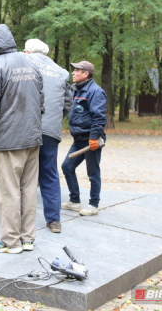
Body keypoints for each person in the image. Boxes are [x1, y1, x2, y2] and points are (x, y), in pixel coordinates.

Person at [0, 24, 44, 254]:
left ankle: (10, 241)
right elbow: (41, 101)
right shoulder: (31, 63)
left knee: (8, 192)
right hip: (33, 138)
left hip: (9, 140)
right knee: (28, 190)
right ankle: (27, 239)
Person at [24, 39, 72, 233]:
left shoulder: (23, 63)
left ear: (27, 51)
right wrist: (54, 120)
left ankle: (22, 222)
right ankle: (54, 221)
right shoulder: (61, 72)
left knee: (24, 174)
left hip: (26, 128)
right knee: (50, 174)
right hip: (51, 130)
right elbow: (67, 102)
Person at [61, 61, 107, 216]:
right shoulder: (75, 90)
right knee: (67, 166)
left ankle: (93, 205)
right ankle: (74, 201)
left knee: (93, 173)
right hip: (79, 139)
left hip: (90, 140)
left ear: (86, 73)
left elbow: (99, 117)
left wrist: (94, 138)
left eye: (76, 70)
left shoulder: (95, 91)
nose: (73, 73)